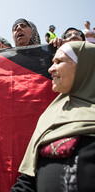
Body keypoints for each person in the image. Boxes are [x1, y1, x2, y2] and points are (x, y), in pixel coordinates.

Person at [11, 41, 95, 191]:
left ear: (85, 66)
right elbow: (28, 181)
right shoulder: (49, 115)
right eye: (52, 62)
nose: (50, 69)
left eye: (59, 62)